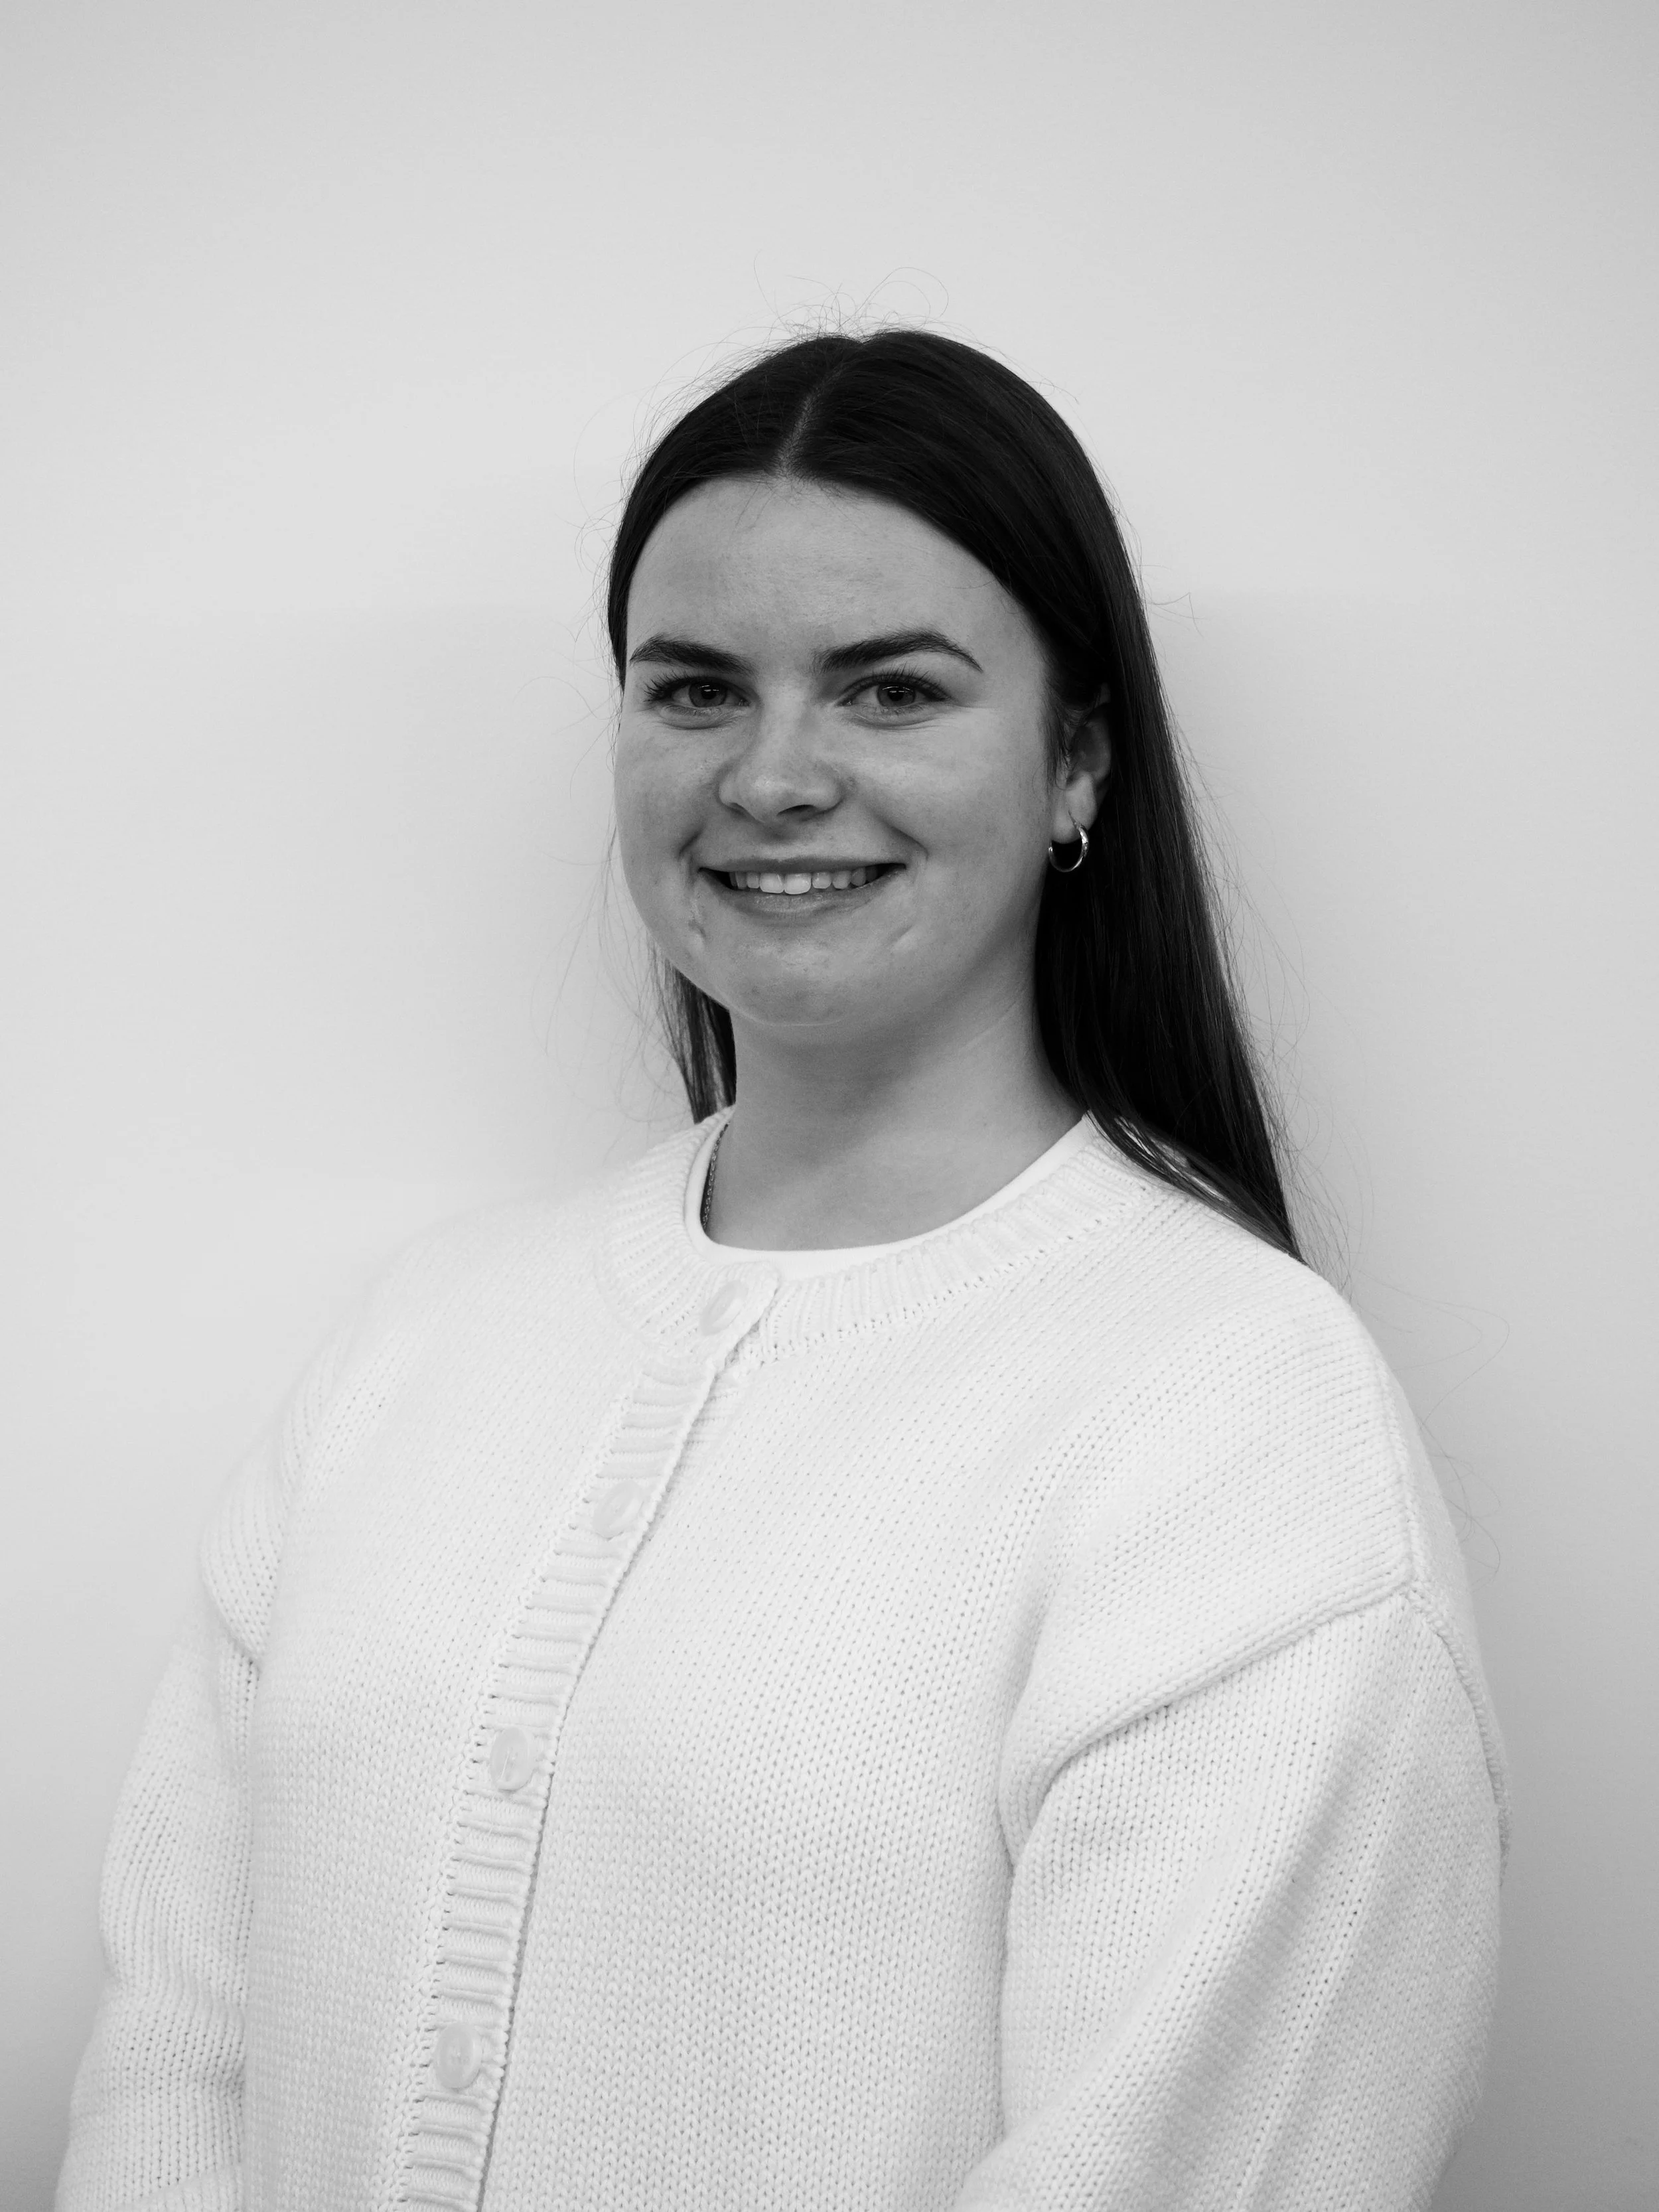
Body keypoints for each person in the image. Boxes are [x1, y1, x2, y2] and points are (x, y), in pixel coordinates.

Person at [58, 329, 1506, 2212]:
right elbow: (186, 2034)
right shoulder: (420, 1342)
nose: (772, 773)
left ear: (1075, 762)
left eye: (889, 690)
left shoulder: (1234, 1421)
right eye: (693, 690)